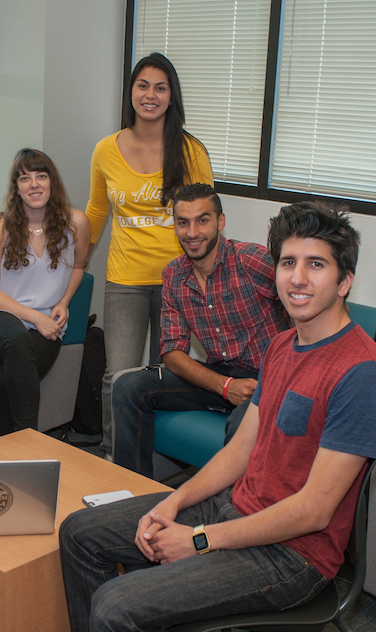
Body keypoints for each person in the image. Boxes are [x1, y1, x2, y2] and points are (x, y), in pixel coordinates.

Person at [36, 202, 376, 632]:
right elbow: (239, 452)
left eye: (317, 265)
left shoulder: (362, 372)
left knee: (117, 607)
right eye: (288, 263)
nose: (298, 278)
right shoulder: (281, 347)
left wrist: (199, 540)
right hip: (234, 508)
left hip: (290, 556)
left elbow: (314, 511)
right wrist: (174, 501)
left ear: (345, 280)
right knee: (80, 532)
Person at [111, 183, 291, 477]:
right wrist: (223, 386)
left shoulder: (250, 260)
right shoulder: (174, 274)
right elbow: (171, 351)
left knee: (243, 422)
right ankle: (131, 492)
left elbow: (303, 296)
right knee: (127, 386)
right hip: (219, 375)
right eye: (183, 223)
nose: (192, 232)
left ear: (220, 222)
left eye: (202, 220)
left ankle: (232, 513)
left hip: (268, 378)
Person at [85, 52, 214, 458]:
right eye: (143, 86)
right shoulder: (106, 150)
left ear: (172, 97)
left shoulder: (191, 151)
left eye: (161, 87)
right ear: (131, 92)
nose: (151, 95)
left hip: (177, 280)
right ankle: (112, 456)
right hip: (124, 278)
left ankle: (154, 458)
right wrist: (74, 267)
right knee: (117, 374)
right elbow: (95, 213)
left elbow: (205, 216)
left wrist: (206, 277)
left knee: (163, 375)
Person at [0, 148, 90, 437]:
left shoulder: (77, 223)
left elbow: (79, 267)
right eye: (25, 178)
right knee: (16, 341)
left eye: (41, 176)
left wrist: (63, 301)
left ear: (52, 182)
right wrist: (36, 317)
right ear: (17, 188)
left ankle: (3, 453)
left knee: (5, 379)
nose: (34, 184)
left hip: (48, 327)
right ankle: (29, 441)